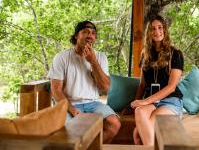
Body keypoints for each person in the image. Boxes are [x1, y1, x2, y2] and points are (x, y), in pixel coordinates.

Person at [47, 20, 121, 144]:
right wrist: (72, 110)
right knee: (70, 133)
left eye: (93, 33)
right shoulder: (61, 57)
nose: (89, 35)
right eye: (85, 32)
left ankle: (90, 147)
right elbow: (56, 90)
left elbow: (105, 87)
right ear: (76, 36)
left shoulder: (101, 57)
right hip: (69, 104)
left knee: (114, 124)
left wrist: (93, 61)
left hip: (93, 103)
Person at [130, 15, 184, 146]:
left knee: (138, 135)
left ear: (165, 30)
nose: (157, 32)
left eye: (160, 28)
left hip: (170, 100)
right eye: (153, 29)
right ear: (149, 32)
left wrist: (145, 101)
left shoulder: (175, 53)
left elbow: (171, 87)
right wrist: (134, 103)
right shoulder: (145, 54)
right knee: (139, 111)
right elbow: (142, 84)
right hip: (151, 101)